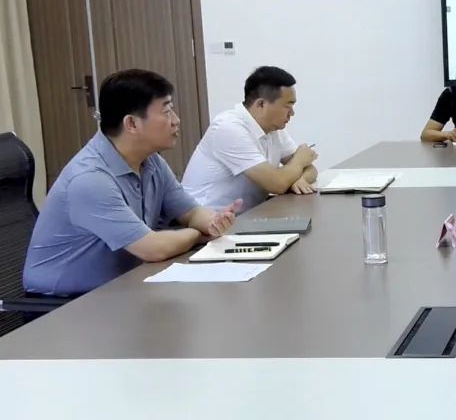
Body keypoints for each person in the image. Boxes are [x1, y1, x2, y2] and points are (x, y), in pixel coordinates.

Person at [22, 69, 239, 296]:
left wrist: (212, 222)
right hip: (63, 304)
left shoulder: (151, 161)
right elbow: (153, 249)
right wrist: (197, 233)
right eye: (166, 112)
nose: (176, 120)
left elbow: (190, 211)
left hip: (121, 286)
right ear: (132, 124)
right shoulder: (89, 179)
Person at [182, 66, 317, 213]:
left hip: (248, 215)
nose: (292, 113)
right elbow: (277, 184)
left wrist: (301, 180)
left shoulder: (274, 129)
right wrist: (299, 160)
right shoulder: (228, 128)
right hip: (205, 220)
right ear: (261, 104)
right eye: (287, 106)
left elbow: (310, 169)